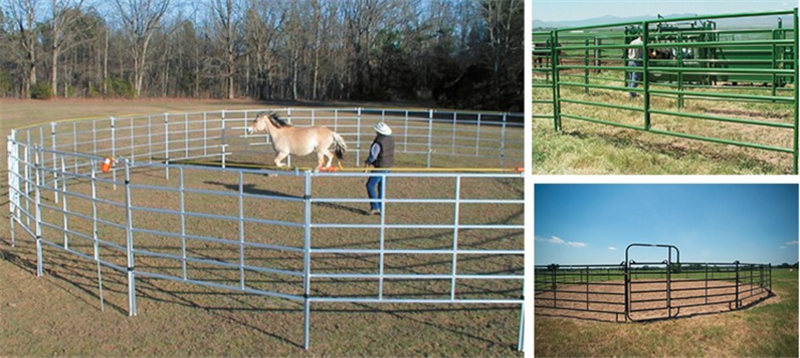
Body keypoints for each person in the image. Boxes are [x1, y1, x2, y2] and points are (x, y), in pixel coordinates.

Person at [364, 122, 394, 215]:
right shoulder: (390, 139)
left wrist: (368, 161)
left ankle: (375, 207)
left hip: (380, 167)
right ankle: (381, 207)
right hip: (388, 166)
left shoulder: (379, 141)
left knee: (370, 185)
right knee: (382, 187)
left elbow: (374, 155)